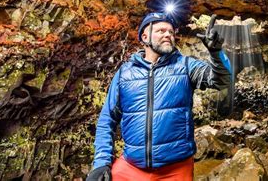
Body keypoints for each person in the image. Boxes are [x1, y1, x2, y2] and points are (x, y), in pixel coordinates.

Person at [87, 12, 231, 181]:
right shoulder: (125, 73)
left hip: (175, 168)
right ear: (144, 37)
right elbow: (107, 119)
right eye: (161, 31)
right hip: (131, 166)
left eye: (171, 32)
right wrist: (101, 162)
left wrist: (216, 52)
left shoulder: (185, 65)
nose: (168, 35)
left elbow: (222, 81)